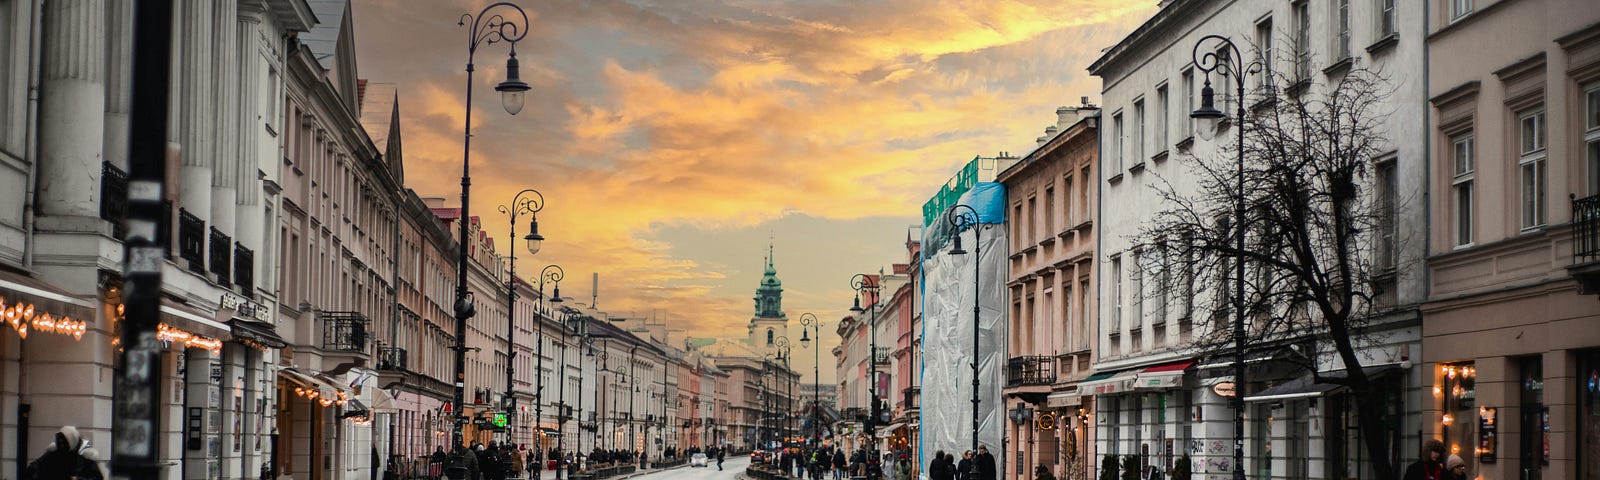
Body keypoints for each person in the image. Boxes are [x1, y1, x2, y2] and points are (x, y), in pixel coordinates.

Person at [25, 426, 104, 480]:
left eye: (64, 442)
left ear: (71, 441)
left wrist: (78, 479)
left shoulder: (85, 456)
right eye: (59, 441)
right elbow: (36, 466)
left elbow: (97, 478)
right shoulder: (54, 454)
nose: (61, 445)